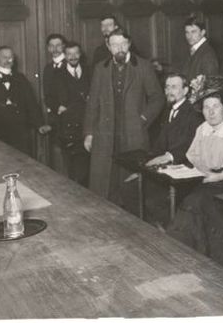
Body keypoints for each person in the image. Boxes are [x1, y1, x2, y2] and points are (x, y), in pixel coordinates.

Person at [167, 76, 223, 268]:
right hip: (209, 180)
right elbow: (192, 154)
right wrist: (204, 169)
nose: (211, 112)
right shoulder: (203, 129)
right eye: (206, 107)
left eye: (215, 106)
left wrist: (221, 175)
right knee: (190, 203)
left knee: (202, 205)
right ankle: (181, 256)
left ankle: (214, 264)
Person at [84, 30, 164, 203]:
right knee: (104, 183)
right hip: (105, 134)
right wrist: (89, 133)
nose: (119, 48)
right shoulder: (100, 68)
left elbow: (157, 98)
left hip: (133, 132)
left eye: (122, 44)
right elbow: (93, 103)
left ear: (128, 44)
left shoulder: (143, 66)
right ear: (108, 47)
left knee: (131, 184)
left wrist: (143, 119)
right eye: (114, 45)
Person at [0, 46, 51, 157]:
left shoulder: (21, 78)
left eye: (11, 57)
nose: (8, 60)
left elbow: (31, 103)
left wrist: (39, 124)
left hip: (20, 131)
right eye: (4, 57)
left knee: (23, 161)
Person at [145, 73, 202, 167]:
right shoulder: (166, 111)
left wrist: (169, 157)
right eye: (167, 87)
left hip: (185, 167)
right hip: (165, 166)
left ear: (185, 90)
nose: (168, 91)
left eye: (174, 87)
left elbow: (193, 145)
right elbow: (160, 142)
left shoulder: (194, 113)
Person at [55, 42, 90, 186]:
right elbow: (49, 96)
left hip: (86, 123)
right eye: (69, 54)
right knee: (72, 167)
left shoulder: (89, 71)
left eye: (75, 53)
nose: (73, 57)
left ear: (80, 54)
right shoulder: (57, 74)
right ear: (65, 56)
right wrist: (58, 106)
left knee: (86, 164)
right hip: (68, 126)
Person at [42, 33, 67, 171]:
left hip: (69, 115)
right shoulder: (48, 68)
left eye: (58, 45)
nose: (55, 49)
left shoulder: (70, 65)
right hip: (54, 117)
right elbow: (47, 94)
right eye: (52, 46)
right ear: (48, 49)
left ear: (63, 46)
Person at [181, 16, 219, 80]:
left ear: (203, 32)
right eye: (187, 32)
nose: (189, 36)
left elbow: (209, 83)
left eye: (193, 32)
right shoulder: (193, 49)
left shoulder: (208, 54)